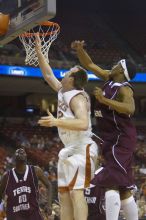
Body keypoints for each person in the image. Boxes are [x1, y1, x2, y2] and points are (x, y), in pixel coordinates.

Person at [71, 40, 138, 220]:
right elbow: (90, 64)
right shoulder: (109, 78)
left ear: (122, 71)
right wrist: (80, 50)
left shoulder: (125, 89)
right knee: (124, 190)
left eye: (118, 64)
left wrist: (104, 99)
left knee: (111, 184)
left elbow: (130, 109)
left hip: (120, 139)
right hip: (111, 138)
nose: (114, 65)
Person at [35, 34, 98, 220]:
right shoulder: (64, 91)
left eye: (69, 71)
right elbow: (48, 75)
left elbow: (83, 123)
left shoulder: (78, 97)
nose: (65, 73)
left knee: (76, 192)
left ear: (72, 79)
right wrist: (39, 51)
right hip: (68, 149)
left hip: (82, 148)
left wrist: (56, 121)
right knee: (63, 194)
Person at [0, 148, 52, 220]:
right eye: (18, 151)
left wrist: (49, 205)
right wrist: (4, 202)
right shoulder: (7, 176)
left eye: (23, 152)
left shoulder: (36, 170)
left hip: (33, 215)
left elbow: (49, 185)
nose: (21, 151)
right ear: (14, 158)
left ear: (26, 156)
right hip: (14, 216)